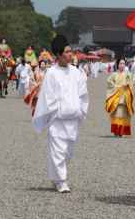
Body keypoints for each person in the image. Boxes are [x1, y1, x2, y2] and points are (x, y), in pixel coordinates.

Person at [33, 35, 89, 193]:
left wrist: (80, 110)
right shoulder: (51, 73)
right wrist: (57, 110)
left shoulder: (77, 72)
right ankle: (61, 181)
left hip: (73, 120)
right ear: (58, 55)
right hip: (58, 120)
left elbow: (83, 94)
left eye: (71, 51)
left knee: (68, 153)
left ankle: (56, 176)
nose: (70, 54)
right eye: (67, 52)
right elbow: (47, 96)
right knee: (58, 151)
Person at [105, 58, 135, 137]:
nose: (122, 65)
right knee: (116, 115)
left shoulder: (128, 74)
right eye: (120, 63)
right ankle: (116, 131)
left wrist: (128, 84)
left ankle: (122, 131)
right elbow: (109, 82)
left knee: (124, 115)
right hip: (116, 97)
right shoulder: (114, 74)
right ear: (117, 65)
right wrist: (116, 87)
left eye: (123, 63)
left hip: (125, 97)